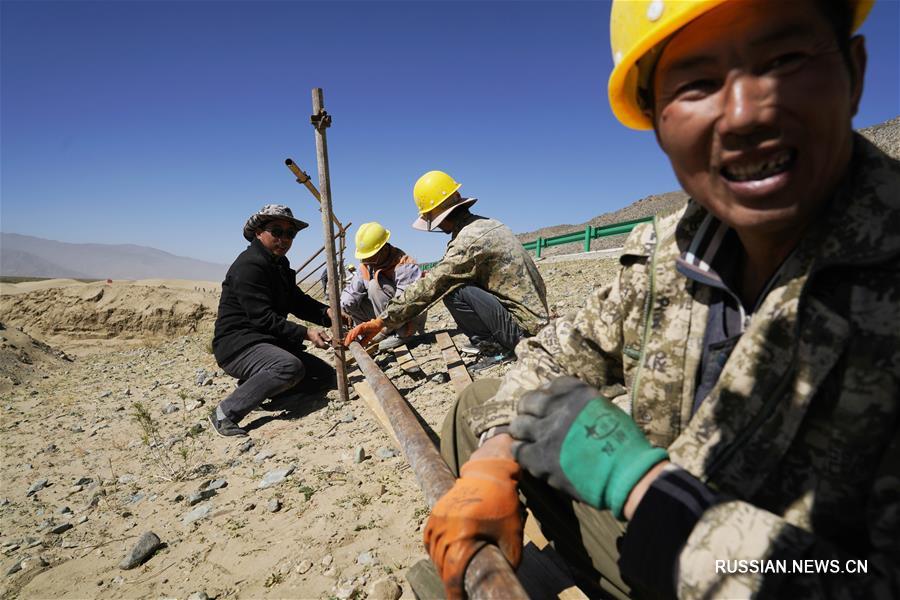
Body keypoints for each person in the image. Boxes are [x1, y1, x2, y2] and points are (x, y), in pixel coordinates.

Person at [425, 1, 899, 598]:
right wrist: (494, 460)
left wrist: (643, 486)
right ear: (655, 120)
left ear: (854, 71)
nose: (746, 114)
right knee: (487, 405)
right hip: (658, 538)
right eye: (697, 83)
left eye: (784, 60)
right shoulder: (666, 249)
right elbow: (551, 358)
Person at [343, 170, 549, 366]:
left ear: (438, 217)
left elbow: (432, 285)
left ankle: (497, 349)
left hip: (524, 332)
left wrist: (380, 322)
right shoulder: (486, 224)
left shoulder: (467, 242)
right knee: (458, 283)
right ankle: (501, 339)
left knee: (452, 290)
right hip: (534, 320)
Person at [210, 204, 339, 437]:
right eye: (276, 231)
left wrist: (328, 313)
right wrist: (306, 333)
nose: (284, 239)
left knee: (326, 376)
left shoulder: (278, 265)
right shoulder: (249, 266)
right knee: (288, 367)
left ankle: (265, 390)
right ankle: (226, 412)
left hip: (267, 342)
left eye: (290, 234)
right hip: (239, 346)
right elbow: (262, 318)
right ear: (259, 232)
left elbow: (297, 301)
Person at [340, 221, 425, 348]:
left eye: (371, 257)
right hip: (383, 318)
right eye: (365, 258)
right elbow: (351, 293)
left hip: (407, 318)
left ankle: (401, 335)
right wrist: (341, 310)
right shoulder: (366, 265)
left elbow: (405, 304)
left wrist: (381, 324)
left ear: (384, 249)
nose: (368, 262)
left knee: (375, 285)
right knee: (352, 301)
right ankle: (369, 333)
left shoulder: (405, 266)